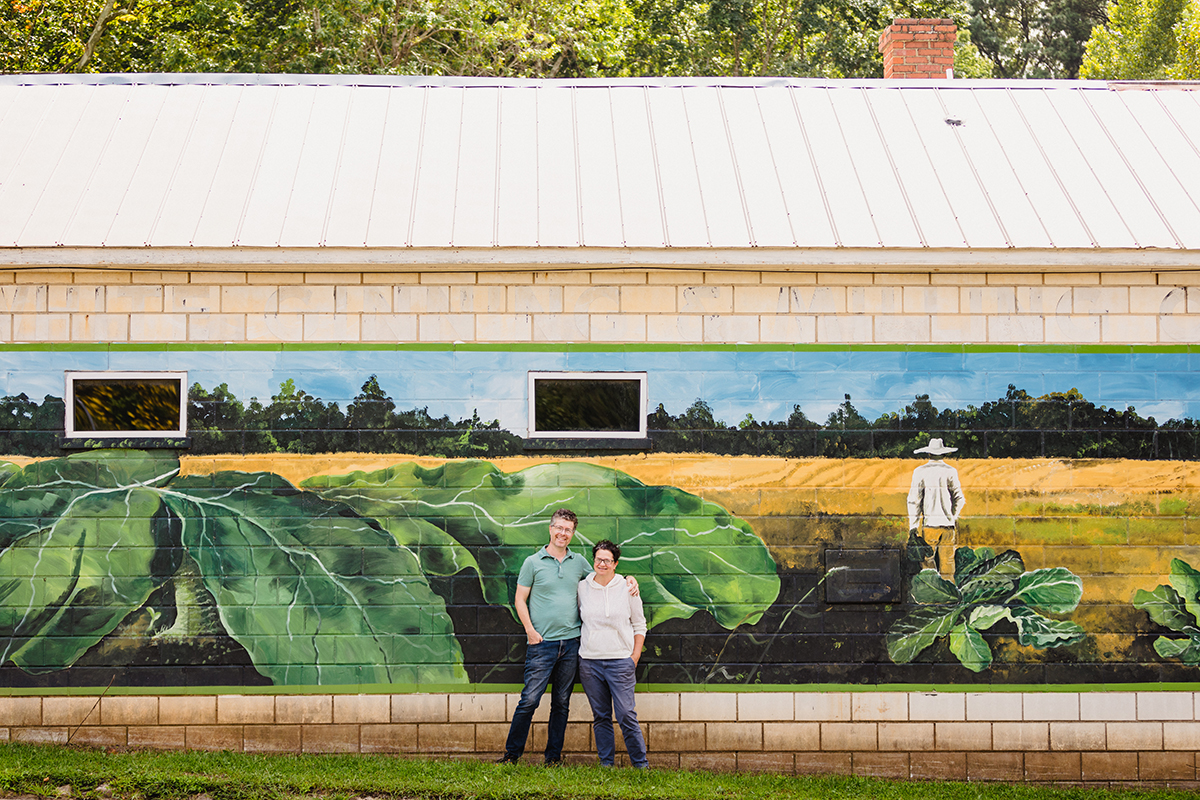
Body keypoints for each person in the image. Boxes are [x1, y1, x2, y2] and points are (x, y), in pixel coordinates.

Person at [498, 509, 637, 765]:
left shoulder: (579, 562)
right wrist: (530, 630)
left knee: (561, 703)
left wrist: (629, 578)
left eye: (568, 530)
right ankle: (511, 755)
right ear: (550, 529)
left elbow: (602, 576)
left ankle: (553, 758)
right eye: (559, 528)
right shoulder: (533, 562)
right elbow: (520, 599)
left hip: (572, 644)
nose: (563, 533)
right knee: (529, 700)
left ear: (573, 533)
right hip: (541, 644)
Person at [578, 539, 649, 769]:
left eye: (607, 560)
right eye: (599, 559)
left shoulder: (628, 588)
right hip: (590, 663)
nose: (602, 564)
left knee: (626, 714)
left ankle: (641, 765)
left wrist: (634, 657)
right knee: (601, 716)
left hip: (621, 662)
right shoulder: (582, 587)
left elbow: (640, 625)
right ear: (594, 560)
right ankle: (606, 764)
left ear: (615, 563)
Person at [907, 437, 966, 576]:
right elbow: (960, 498)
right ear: (943, 453)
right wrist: (952, 516)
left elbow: (914, 500)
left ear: (929, 453)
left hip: (930, 525)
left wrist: (913, 526)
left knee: (927, 562)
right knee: (948, 564)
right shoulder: (950, 471)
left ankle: (932, 593)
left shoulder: (920, 471)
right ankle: (949, 594)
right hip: (948, 526)